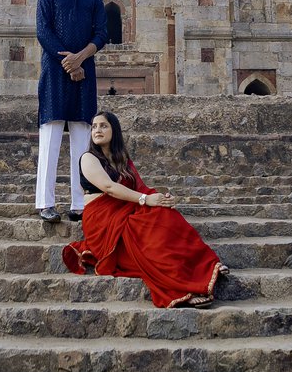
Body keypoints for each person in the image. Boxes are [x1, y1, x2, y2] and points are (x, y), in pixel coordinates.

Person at [62, 111, 229, 308]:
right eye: (94, 126)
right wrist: (146, 199)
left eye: (103, 126)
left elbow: (138, 188)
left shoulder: (121, 158)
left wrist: (160, 199)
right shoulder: (88, 158)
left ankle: (205, 266)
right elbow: (109, 188)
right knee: (143, 229)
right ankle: (180, 286)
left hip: (124, 207)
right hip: (102, 219)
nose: (97, 130)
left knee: (165, 214)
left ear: (114, 130)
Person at [34, 0, 105, 222]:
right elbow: (44, 32)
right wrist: (68, 62)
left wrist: (81, 58)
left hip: (84, 74)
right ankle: (45, 202)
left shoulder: (94, 0)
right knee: (50, 137)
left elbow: (101, 34)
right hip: (54, 72)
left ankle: (80, 203)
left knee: (81, 139)